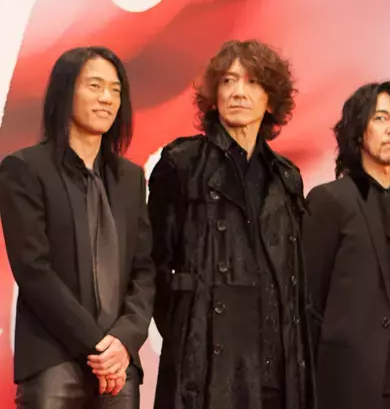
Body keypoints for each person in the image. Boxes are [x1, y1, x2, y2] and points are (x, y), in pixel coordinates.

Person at [148, 40, 315, 409]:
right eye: (228, 81)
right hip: (205, 368)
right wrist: (187, 331)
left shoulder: (286, 178)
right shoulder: (182, 164)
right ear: (214, 95)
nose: (239, 92)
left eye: (252, 82)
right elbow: (152, 264)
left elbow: (295, 279)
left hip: (276, 368)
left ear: (270, 101)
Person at [0, 46, 155, 408]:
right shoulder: (25, 169)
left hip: (118, 362)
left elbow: (144, 269)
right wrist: (97, 345)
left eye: (115, 90)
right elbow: (33, 270)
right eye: (95, 86)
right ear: (65, 91)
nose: (107, 99)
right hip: (53, 357)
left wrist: (124, 340)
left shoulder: (130, 178)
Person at [303, 81, 390, 409]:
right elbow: (308, 301)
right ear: (358, 131)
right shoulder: (330, 200)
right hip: (351, 382)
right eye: (380, 118)